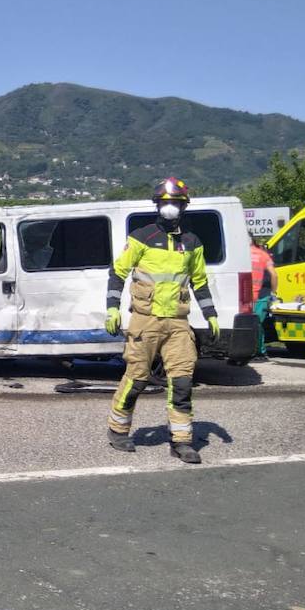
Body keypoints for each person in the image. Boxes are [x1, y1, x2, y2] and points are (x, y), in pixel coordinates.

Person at [104, 177, 220, 464]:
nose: (171, 208)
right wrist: (112, 308)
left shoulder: (192, 243)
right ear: (158, 205)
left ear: (184, 207)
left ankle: (181, 441)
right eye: (166, 203)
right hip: (146, 321)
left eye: (176, 204)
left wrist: (211, 313)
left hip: (178, 324)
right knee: (138, 379)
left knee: (182, 382)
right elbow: (118, 272)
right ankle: (117, 429)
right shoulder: (141, 237)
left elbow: (199, 282)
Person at [249, 235, 277, 359]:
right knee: (258, 324)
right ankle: (259, 351)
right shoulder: (263, 255)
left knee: (249, 324)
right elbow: (274, 275)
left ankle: (257, 351)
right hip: (262, 294)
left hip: (246, 296)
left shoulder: (241, 254)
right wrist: (273, 292)